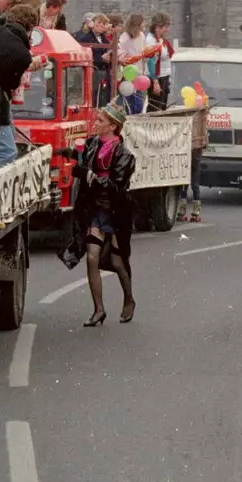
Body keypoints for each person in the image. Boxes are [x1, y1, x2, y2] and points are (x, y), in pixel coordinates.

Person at [65, 103, 138, 326]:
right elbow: (82, 165)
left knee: (117, 261)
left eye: (100, 121)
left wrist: (91, 177)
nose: (95, 124)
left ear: (113, 126)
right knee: (92, 256)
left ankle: (129, 299)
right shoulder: (93, 143)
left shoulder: (124, 154)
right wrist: (75, 163)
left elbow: (116, 186)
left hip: (114, 212)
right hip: (94, 209)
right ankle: (99, 309)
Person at [0, 3, 46, 171]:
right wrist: (26, 66)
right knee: (6, 151)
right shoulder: (20, 52)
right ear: (30, 28)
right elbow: (13, 84)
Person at [115, 13, 154, 115]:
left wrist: (148, 53)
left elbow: (143, 50)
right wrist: (125, 59)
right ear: (137, 24)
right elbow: (119, 51)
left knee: (139, 105)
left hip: (139, 73)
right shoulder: (125, 36)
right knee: (130, 104)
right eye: (143, 22)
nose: (144, 24)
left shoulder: (141, 35)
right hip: (129, 73)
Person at [75, 13, 113, 107]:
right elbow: (84, 55)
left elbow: (109, 49)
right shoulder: (86, 38)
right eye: (99, 23)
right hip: (94, 72)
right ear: (93, 24)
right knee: (95, 99)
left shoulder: (104, 38)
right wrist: (101, 58)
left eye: (103, 24)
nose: (101, 25)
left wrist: (110, 56)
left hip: (104, 73)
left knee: (104, 99)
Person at [182, 95, 207, 223]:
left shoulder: (200, 121)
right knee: (189, 184)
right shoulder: (195, 119)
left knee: (191, 184)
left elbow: (204, 141)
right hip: (191, 155)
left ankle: (193, 211)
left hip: (193, 155)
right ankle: (187, 211)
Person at [146, 11, 176, 108]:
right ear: (157, 27)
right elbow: (151, 61)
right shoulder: (151, 40)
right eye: (165, 27)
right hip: (157, 77)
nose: (167, 29)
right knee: (155, 107)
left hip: (164, 76)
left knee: (162, 107)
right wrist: (155, 82)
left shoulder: (161, 39)